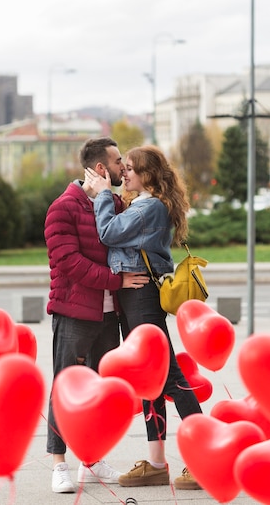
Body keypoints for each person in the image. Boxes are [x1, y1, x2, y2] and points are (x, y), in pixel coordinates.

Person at [85, 144, 203, 491]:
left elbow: (107, 233)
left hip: (141, 299)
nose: (126, 173)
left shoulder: (149, 206)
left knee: (170, 377)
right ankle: (155, 463)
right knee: (148, 378)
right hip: (133, 296)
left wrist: (104, 195)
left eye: (132, 168)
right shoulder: (144, 204)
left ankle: (200, 458)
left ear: (148, 175)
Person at [44, 136, 149, 494]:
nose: (125, 167)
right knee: (66, 387)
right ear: (101, 168)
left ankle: (90, 456)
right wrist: (116, 280)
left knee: (99, 390)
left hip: (108, 315)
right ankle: (59, 464)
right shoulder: (63, 207)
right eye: (119, 161)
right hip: (74, 313)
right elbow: (69, 263)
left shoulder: (116, 204)